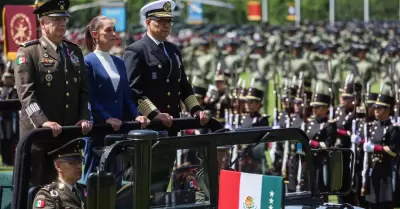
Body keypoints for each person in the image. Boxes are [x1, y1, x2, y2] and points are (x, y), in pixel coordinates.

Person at [123, 0, 209, 194]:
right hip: (149, 127)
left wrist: (196, 109)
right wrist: (155, 114)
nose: (166, 26)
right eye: (160, 22)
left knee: (163, 178)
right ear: (148, 23)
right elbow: (133, 90)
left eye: (169, 22)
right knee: (142, 181)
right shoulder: (136, 50)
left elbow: (183, 86)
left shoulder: (172, 50)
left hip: (172, 124)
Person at [14, 0, 91, 186]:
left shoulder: (73, 51)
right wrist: (43, 121)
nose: (62, 24)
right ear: (43, 23)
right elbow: (26, 94)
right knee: (37, 190)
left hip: (68, 136)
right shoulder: (29, 51)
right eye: (56, 20)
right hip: (40, 139)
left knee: (66, 191)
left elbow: (83, 90)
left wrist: (83, 116)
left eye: (64, 19)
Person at [83, 15, 150, 182]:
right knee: (92, 179)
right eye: (108, 30)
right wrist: (106, 118)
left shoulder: (119, 62)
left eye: (114, 30)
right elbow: (90, 98)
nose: (114, 34)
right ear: (95, 34)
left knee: (116, 180)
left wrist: (136, 115)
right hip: (98, 130)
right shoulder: (87, 62)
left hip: (119, 130)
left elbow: (127, 96)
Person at [364, 83, 400, 209]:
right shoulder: (373, 126)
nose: (376, 111)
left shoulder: (393, 128)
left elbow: (394, 151)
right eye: (375, 108)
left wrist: (375, 148)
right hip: (373, 170)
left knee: (384, 205)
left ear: (387, 109)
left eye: (379, 108)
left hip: (386, 172)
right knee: (372, 204)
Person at [32, 138, 86, 209]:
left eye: (79, 162)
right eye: (72, 163)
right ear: (58, 166)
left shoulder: (87, 190)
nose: (79, 166)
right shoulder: (48, 195)